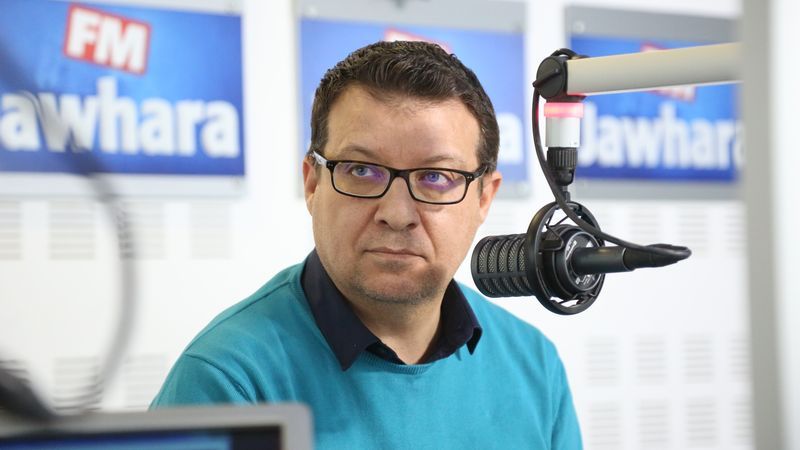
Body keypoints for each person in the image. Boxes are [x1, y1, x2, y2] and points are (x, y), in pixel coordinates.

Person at [151, 40, 582, 449]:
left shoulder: (534, 367)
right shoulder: (228, 382)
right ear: (313, 184)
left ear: (484, 198)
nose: (396, 213)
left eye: (435, 177)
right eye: (361, 170)